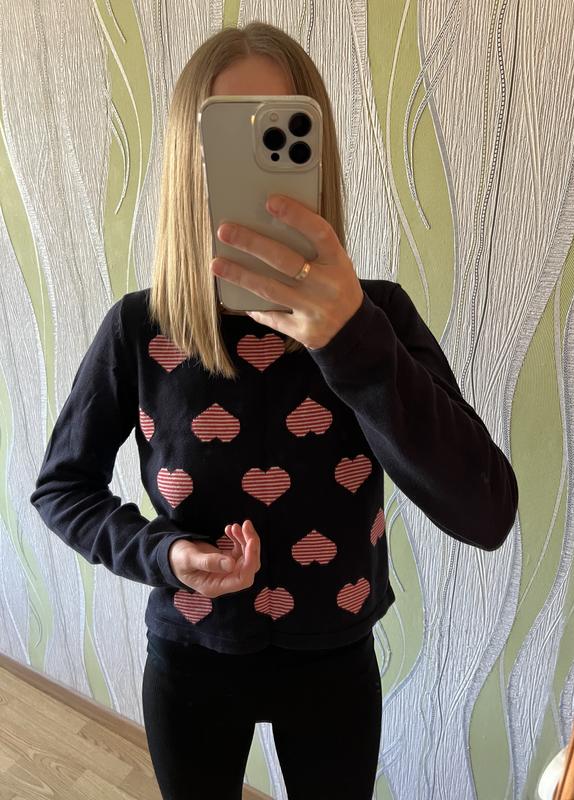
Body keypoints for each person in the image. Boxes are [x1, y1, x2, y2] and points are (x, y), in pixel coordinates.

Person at [30, 21, 519, 800]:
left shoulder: (378, 321)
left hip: (335, 664)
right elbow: (62, 488)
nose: (256, 185)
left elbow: (485, 511)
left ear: (318, 164)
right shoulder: (138, 330)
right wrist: (163, 555)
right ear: (189, 170)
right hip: (191, 662)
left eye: (281, 141)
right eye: (228, 149)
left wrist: (351, 340)